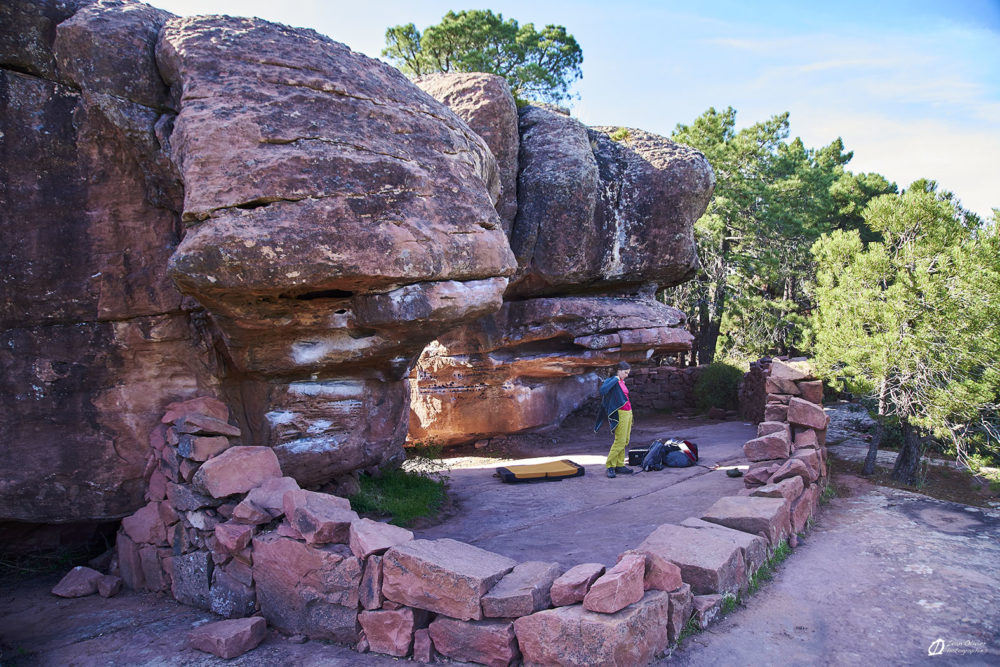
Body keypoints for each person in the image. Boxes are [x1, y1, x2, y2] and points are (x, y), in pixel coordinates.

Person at [594, 361, 634, 478]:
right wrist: (616, 378)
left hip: (628, 412)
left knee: (625, 440)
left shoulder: (622, 382)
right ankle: (610, 466)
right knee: (619, 441)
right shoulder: (613, 380)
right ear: (619, 371)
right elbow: (603, 390)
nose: (627, 374)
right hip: (620, 413)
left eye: (628, 373)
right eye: (625, 372)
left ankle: (619, 464)